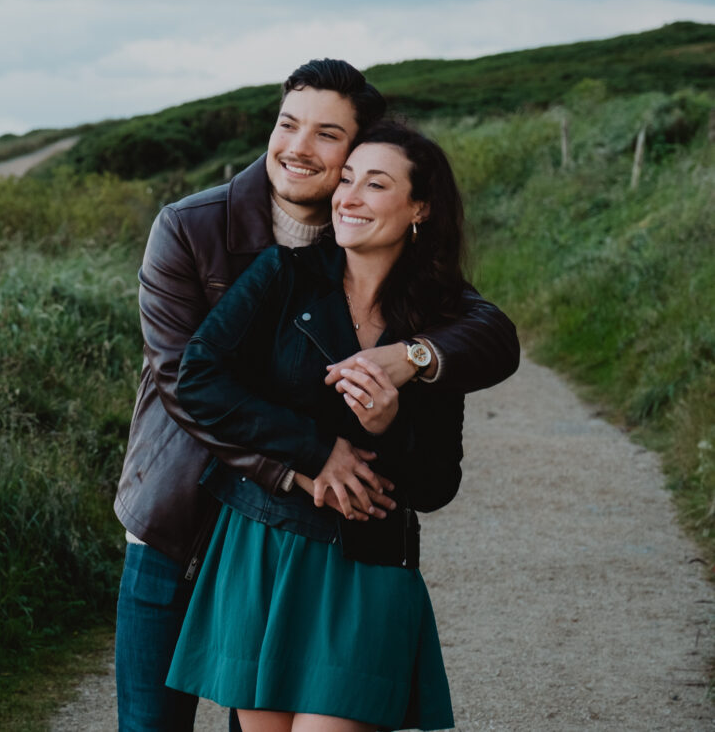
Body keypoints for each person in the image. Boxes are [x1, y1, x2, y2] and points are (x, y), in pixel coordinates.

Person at [113, 59, 519, 731]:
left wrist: (414, 359)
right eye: (288, 123)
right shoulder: (193, 229)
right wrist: (305, 458)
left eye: (328, 136)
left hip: (323, 545)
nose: (299, 147)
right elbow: (186, 381)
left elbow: (490, 335)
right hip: (181, 519)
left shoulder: (389, 275)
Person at [166, 121, 469, 731]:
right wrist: (312, 451)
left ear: (419, 208)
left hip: (369, 565)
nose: (349, 197)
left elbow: (437, 485)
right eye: (347, 179)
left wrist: (387, 425)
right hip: (262, 545)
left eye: (375, 184)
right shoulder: (283, 274)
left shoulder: (440, 320)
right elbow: (198, 377)